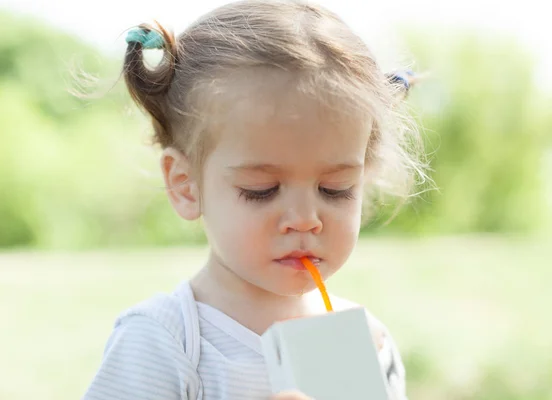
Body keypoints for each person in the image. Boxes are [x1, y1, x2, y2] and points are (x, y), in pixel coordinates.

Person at [82, 0, 426, 399]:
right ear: (186, 185)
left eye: (335, 188)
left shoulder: (369, 340)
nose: (304, 219)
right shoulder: (168, 342)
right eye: (261, 190)